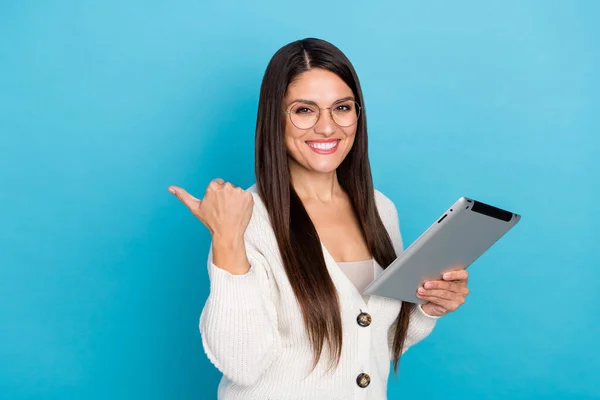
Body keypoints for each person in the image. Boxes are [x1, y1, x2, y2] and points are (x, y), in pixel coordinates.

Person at [168, 38, 470, 400]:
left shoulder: (380, 209)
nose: (327, 128)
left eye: (341, 107)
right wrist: (228, 239)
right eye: (304, 110)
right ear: (275, 118)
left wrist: (427, 308)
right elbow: (242, 364)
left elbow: (371, 344)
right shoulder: (247, 217)